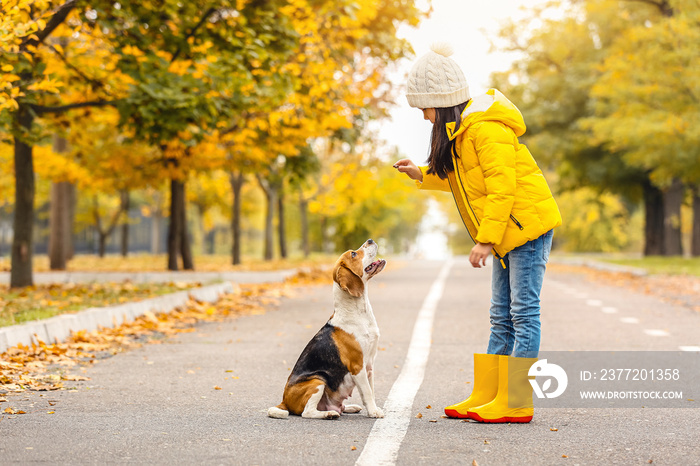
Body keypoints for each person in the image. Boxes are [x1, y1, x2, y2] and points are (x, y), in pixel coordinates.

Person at [394, 43, 562, 423]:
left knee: (523, 312)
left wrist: (485, 239)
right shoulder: (460, 133)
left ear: (442, 99)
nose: (424, 117)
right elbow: (463, 182)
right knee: (499, 316)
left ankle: (516, 400)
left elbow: (502, 189)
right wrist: (421, 174)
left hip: (526, 229)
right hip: (507, 230)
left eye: (425, 107)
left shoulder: (485, 129)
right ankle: (488, 394)